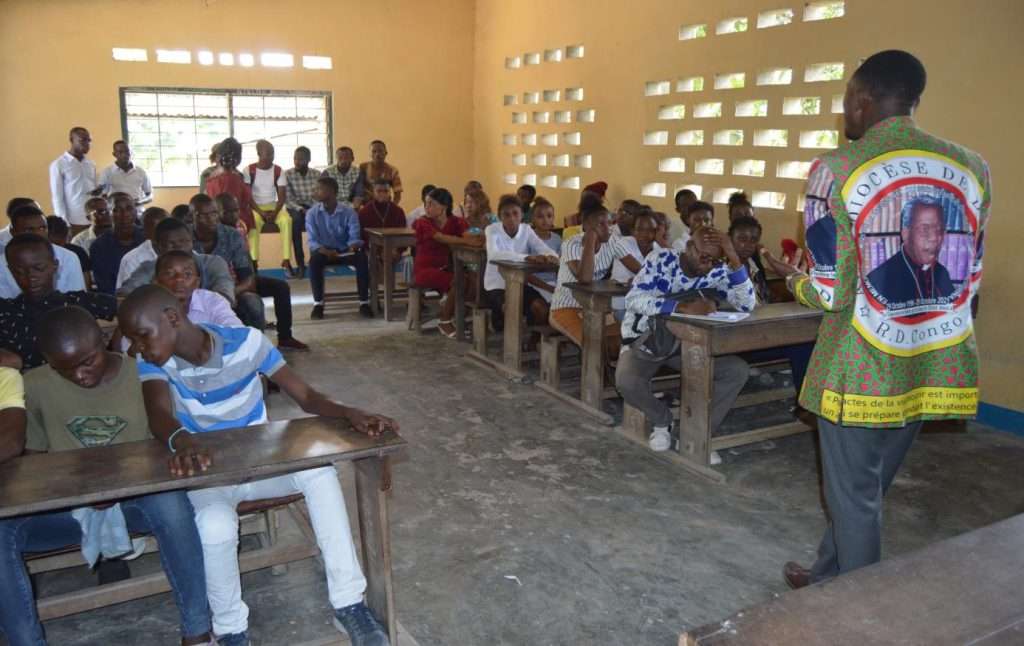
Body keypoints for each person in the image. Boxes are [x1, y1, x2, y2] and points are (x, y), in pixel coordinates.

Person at [756, 50, 992, 588]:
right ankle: (825, 572)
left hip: (861, 367)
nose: (845, 116)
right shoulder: (972, 167)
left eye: (845, 104)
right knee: (866, 488)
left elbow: (830, 292)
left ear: (862, 101)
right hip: (930, 361)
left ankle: (857, 615)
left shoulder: (834, 169)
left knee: (857, 494)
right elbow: (970, 278)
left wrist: (788, 278)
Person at [120, 285, 398, 646]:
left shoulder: (247, 343)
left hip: (265, 466)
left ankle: (349, 604)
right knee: (214, 524)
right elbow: (158, 414)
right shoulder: (153, 362)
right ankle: (231, 629)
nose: (136, 348)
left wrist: (350, 412)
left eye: (141, 336)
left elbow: (306, 396)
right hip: (210, 475)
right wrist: (182, 440)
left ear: (172, 318)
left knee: (321, 473)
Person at [0, 307, 216, 646]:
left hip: (134, 500)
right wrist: (72, 488)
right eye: (64, 369)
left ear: (104, 340)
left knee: (172, 505)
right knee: (2, 529)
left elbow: (160, 447)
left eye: (88, 362)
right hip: (67, 507)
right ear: (47, 360)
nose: (80, 376)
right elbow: (33, 458)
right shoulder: (37, 385)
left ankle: (198, 631)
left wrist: (120, 485)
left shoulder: (141, 376)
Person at [617, 227, 754, 455]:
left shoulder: (717, 270)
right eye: (704, 257)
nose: (709, 265)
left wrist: (734, 259)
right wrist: (682, 307)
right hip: (652, 341)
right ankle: (663, 421)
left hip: (692, 344)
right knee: (626, 381)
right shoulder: (661, 260)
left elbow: (747, 305)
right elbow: (634, 299)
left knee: (736, 371)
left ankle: (695, 431)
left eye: (716, 259)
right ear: (689, 248)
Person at [191, 194, 308, 350]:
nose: (212, 219)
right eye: (205, 215)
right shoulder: (184, 237)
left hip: (232, 287)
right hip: (197, 291)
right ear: (193, 216)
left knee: (264, 295)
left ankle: (264, 347)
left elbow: (247, 278)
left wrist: (229, 294)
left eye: (213, 213)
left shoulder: (231, 235)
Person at [729, 215, 815, 398]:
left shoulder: (754, 266)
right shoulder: (723, 270)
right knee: (801, 346)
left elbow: (763, 300)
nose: (747, 245)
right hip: (737, 338)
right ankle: (805, 401)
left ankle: (806, 400)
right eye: (741, 239)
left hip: (761, 332)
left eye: (753, 240)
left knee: (805, 342)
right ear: (730, 240)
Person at [0, 234, 116, 370]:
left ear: (55, 265)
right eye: (19, 272)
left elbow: (131, 306)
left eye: (39, 268)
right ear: (10, 271)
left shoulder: (79, 302)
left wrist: (116, 343)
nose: (31, 277)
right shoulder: (6, 312)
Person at [549, 193, 640, 347]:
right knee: (592, 344)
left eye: (609, 223)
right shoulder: (571, 244)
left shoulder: (612, 241)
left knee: (626, 336)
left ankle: (608, 369)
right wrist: (591, 239)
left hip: (595, 307)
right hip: (565, 307)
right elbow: (584, 279)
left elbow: (638, 268)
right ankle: (594, 368)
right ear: (585, 226)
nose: (607, 229)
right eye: (600, 224)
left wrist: (638, 278)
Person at [483, 195, 559, 332]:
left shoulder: (526, 230)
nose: (511, 218)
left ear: (522, 215)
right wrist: (526, 257)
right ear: (500, 217)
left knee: (540, 307)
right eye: (506, 214)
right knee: (509, 309)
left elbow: (542, 248)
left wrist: (551, 256)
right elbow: (494, 254)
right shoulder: (492, 230)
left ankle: (533, 340)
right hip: (496, 285)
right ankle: (504, 332)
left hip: (519, 283)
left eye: (515, 213)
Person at [119, 217, 236, 305]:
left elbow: (225, 295)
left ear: (192, 241)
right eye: (171, 244)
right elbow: (125, 294)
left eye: (184, 241)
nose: (180, 247)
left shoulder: (213, 263)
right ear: (158, 247)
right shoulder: (150, 267)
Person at [865, 196, 956, 303]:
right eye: (925, 229)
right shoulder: (879, 279)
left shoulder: (942, 273)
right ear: (906, 234)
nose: (934, 238)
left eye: (939, 230)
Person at [306, 177, 371, 319]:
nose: (315, 192)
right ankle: (318, 304)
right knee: (314, 261)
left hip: (345, 251)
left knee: (362, 258)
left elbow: (355, 237)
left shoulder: (349, 212)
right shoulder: (312, 214)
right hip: (324, 252)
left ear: (331, 192)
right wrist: (325, 251)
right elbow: (312, 241)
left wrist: (349, 248)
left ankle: (364, 302)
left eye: (319, 189)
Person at [412, 188, 468, 337]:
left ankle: (457, 314)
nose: (426, 207)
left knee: (473, 280)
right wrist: (464, 241)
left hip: (448, 268)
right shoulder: (422, 222)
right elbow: (441, 238)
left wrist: (472, 238)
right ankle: (444, 320)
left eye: (431, 204)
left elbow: (471, 236)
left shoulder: (457, 221)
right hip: (425, 270)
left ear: (444, 206)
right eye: (426, 203)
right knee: (460, 281)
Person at [0, 205, 87, 298]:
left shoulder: (68, 257)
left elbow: (76, 298)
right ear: (13, 232)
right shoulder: (2, 262)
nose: (38, 233)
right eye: (29, 230)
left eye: (42, 228)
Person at [154, 250, 242, 327]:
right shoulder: (147, 306)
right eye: (170, 273)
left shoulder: (213, 301)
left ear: (197, 283)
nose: (179, 279)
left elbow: (236, 330)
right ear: (156, 281)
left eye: (187, 274)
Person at [244, 139, 293, 274]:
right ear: (259, 153)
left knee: (287, 221)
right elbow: (248, 197)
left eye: (273, 154)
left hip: (274, 206)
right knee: (253, 224)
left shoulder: (278, 170)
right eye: (268, 154)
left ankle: (286, 260)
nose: (271, 157)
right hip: (255, 207)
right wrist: (260, 212)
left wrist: (275, 212)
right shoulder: (249, 170)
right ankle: (254, 262)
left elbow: (282, 197)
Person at [204, 138, 258, 258]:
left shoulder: (210, 178)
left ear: (219, 156)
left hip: (216, 224)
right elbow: (244, 201)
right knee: (240, 261)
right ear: (238, 159)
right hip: (236, 225)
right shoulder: (235, 178)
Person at [90, 192, 145, 294]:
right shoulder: (99, 246)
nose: (124, 214)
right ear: (109, 213)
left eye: (129, 208)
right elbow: (105, 286)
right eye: (117, 210)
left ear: (135, 212)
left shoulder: (147, 239)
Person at [49, 126, 99, 236]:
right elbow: (57, 197)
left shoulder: (90, 164)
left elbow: (94, 190)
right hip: (74, 221)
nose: (87, 144)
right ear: (72, 140)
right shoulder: (59, 164)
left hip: (93, 219)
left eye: (89, 140)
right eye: (82, 140)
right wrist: (64, 223)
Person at [610, 210, 661, 316]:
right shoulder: (623, 243)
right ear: (633, 230)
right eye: (640, 229)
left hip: (645, 299)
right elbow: (642, 272)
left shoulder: (658, 250)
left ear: (656, 232)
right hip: (619, 298)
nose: (644, 234)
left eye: (650, 230)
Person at [284, 146, 322, 279]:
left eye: (301, 159)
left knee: (318, 222)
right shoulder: (287, 174)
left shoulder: (317, 174)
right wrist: (301, 209)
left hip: (313, 206)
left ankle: (316, 261)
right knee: (296, 223)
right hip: (295, 207)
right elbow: (287, 199)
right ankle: (300, 264)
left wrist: (312, 210)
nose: (297, 162)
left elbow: (320, 196)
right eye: (295, 158)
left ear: (308, 159)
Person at [526, 197, 561, 319]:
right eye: (540, 217)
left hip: (554, 283)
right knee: (544, 309)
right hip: (534, 284)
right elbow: (526, 273)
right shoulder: (528, 238)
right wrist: (549, 288)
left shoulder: (557, 239)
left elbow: (561, 267)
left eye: (549, 216)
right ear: (532, 219)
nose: (545, 220)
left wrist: (557, 286)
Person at [116, 206, 167, 290]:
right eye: (157, 230)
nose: (164, 233)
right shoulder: (131, 259)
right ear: (145, 232)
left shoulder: (183, 251)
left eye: (167, 227)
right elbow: (124, 296)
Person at [98, 140, 153, 207]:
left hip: (138, 211)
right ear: (114, 154)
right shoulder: (107, 172)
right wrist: (113, 204)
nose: (124, 155)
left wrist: (139, 202)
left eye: (127, 151)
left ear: (131, 152)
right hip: (116, 213)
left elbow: (150, 195)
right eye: (120, 152)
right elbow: (103, 195)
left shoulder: (141, 172)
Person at [46, 215, 91, 285]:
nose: (57, 249)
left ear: (66, 238)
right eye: (52, 245)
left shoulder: (77, 253)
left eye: (60, 244)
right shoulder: (36, 257)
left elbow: (86, 284)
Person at [358, 140, 402, 205]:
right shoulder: (362, 167)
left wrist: (393, 208)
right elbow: (357, 190)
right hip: (366, 205)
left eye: (380, 151)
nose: (377, 154)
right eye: (374, 151)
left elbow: (397, 193)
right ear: (370, 154)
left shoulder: (393, 170)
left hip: (385, 204)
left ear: (386, 153)